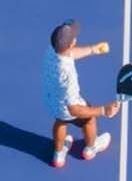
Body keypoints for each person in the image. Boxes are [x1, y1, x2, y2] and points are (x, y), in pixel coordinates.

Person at [42, 19, 119, 168]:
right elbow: (74, 109)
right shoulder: (68, 75)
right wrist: (103, 110)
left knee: (61, 120)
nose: (75, 38)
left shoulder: (51, 51)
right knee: (89, 119)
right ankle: (91, 148)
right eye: (73, 38)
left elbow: (68, 53)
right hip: (68, 105)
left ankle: (58, 155)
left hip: (52, 102)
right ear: (71, 44)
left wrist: (92, 49)